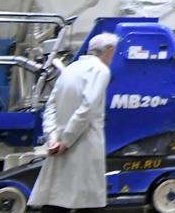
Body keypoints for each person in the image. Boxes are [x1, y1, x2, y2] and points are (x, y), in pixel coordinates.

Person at [30, 31, 117, 213]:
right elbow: (87, 108)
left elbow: (51, 105)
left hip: (59, 145)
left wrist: (52, 138)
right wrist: (66, 141)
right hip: (83, 145)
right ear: (109, 50)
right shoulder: (100, 70)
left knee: (57, 198)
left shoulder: (70, 69)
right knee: (87, 202)